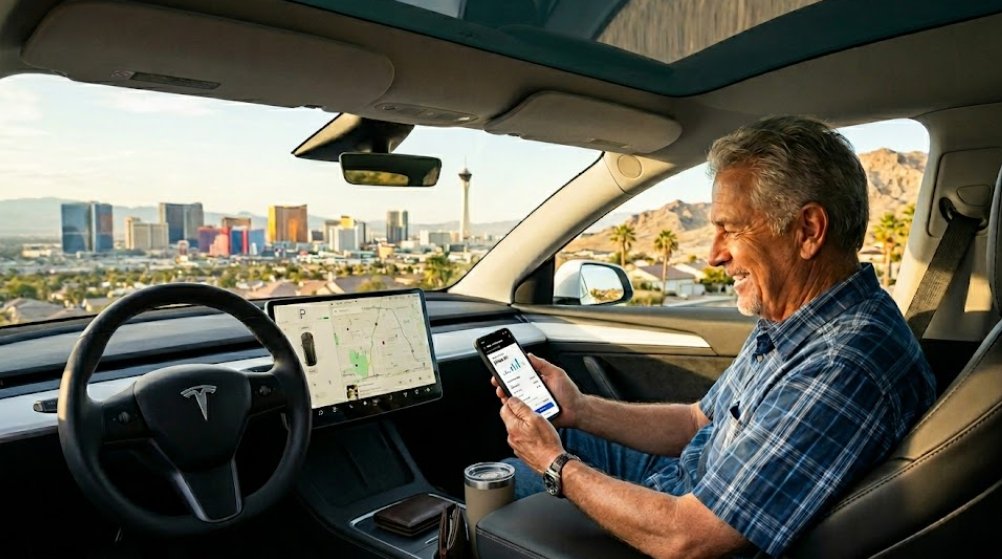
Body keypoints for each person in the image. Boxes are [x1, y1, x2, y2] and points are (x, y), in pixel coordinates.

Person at [494, 115, 936, 558]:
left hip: (683, 521)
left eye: (732, 229)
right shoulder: (797, 322)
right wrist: (581, 409)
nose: (713, 255)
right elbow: (695, 423)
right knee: (540, 447)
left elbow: (688, 537)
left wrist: (556, 466)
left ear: (808, 230)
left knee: (498, 486)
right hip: (683, 481)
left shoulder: (841, 363)